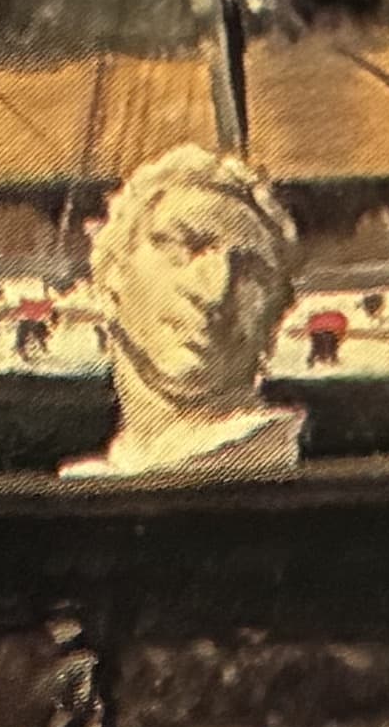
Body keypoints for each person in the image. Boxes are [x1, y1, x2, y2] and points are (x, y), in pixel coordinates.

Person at [81, 142, 307, 482]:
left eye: (249, 268)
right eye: (184, 246)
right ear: (112, 275)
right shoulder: (110, 471)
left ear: (278, 309)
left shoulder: (251, 458)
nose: (215, 291)